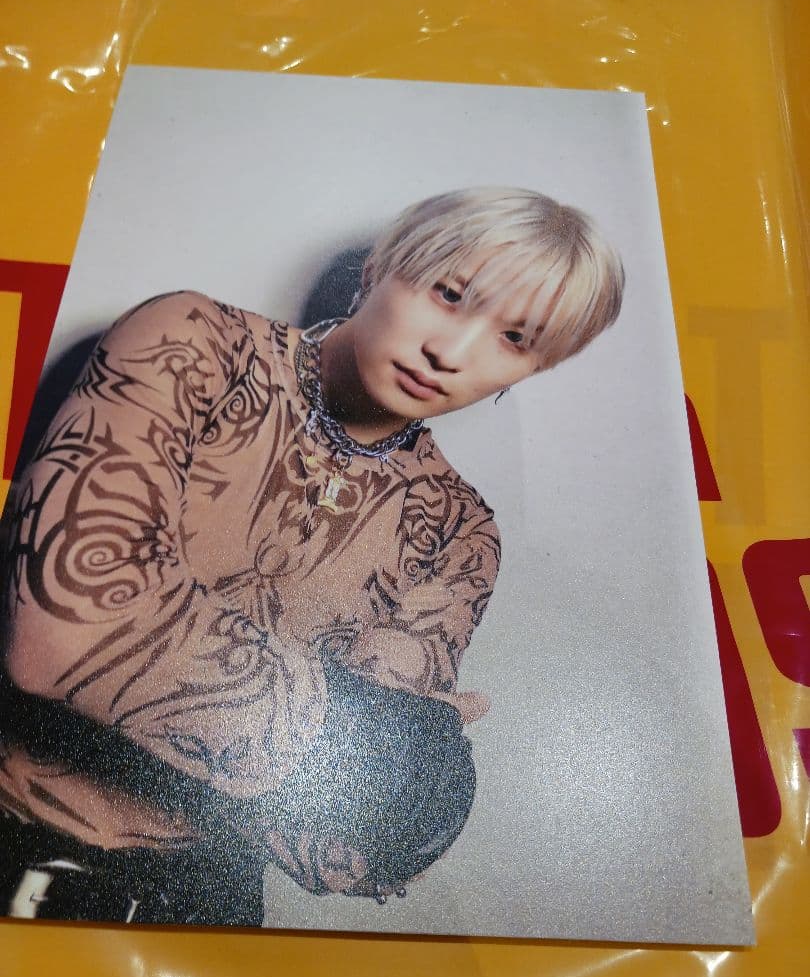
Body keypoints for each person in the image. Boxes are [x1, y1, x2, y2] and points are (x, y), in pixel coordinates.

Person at [0, 187, 624, 924]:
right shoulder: (197, 344)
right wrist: (371, 724)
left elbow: (344, 834)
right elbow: (61, 630)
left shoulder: (458, 533)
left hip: (204, 896)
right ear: (382, 266)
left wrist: (376, 762)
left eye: (515, 338)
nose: (450, 352)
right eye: (449, 294)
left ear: (533, 369)